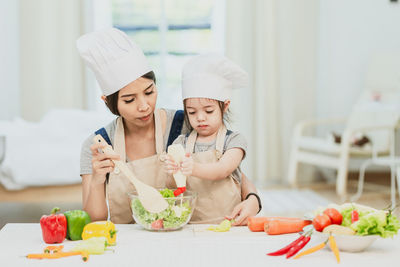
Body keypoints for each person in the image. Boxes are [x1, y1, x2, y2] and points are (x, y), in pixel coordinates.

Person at [77, 27, 261, 225]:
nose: (144, 106)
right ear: (107, 102)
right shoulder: (100, 145)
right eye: (129, 100)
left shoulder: (186, 123)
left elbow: (232, 171)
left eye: (149, 92)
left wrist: (253, 200)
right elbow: (94, 219)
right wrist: (97, 179)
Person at [164, 54, 252, 224]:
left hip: (228, 224)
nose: (200, 118)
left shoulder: (234, 141)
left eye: (208, 111)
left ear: (225, 106)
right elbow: (173, 187)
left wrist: (192, 168)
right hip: (189, 224)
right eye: (192, 112)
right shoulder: (180, 143)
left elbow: (223, 170)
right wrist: (172, 171)